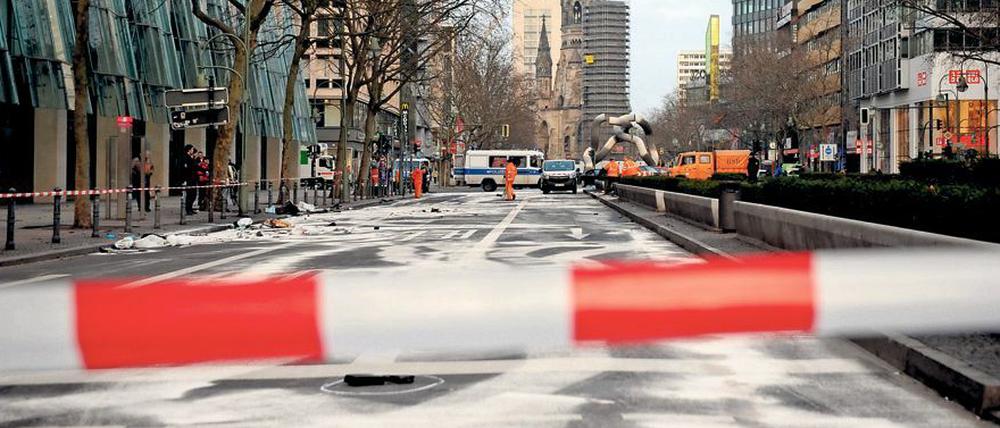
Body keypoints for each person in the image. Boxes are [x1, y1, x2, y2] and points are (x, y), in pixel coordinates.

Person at [182, 145, 197, 215]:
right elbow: (186, 168)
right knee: (190, 194)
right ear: (189, 150)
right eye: (192, 149)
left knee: (194, 194)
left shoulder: (192, 158)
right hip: (189, 178)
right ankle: (188, 209)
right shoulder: (185, 158)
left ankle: (190, 208)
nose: (193, 151)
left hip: (193, 178)